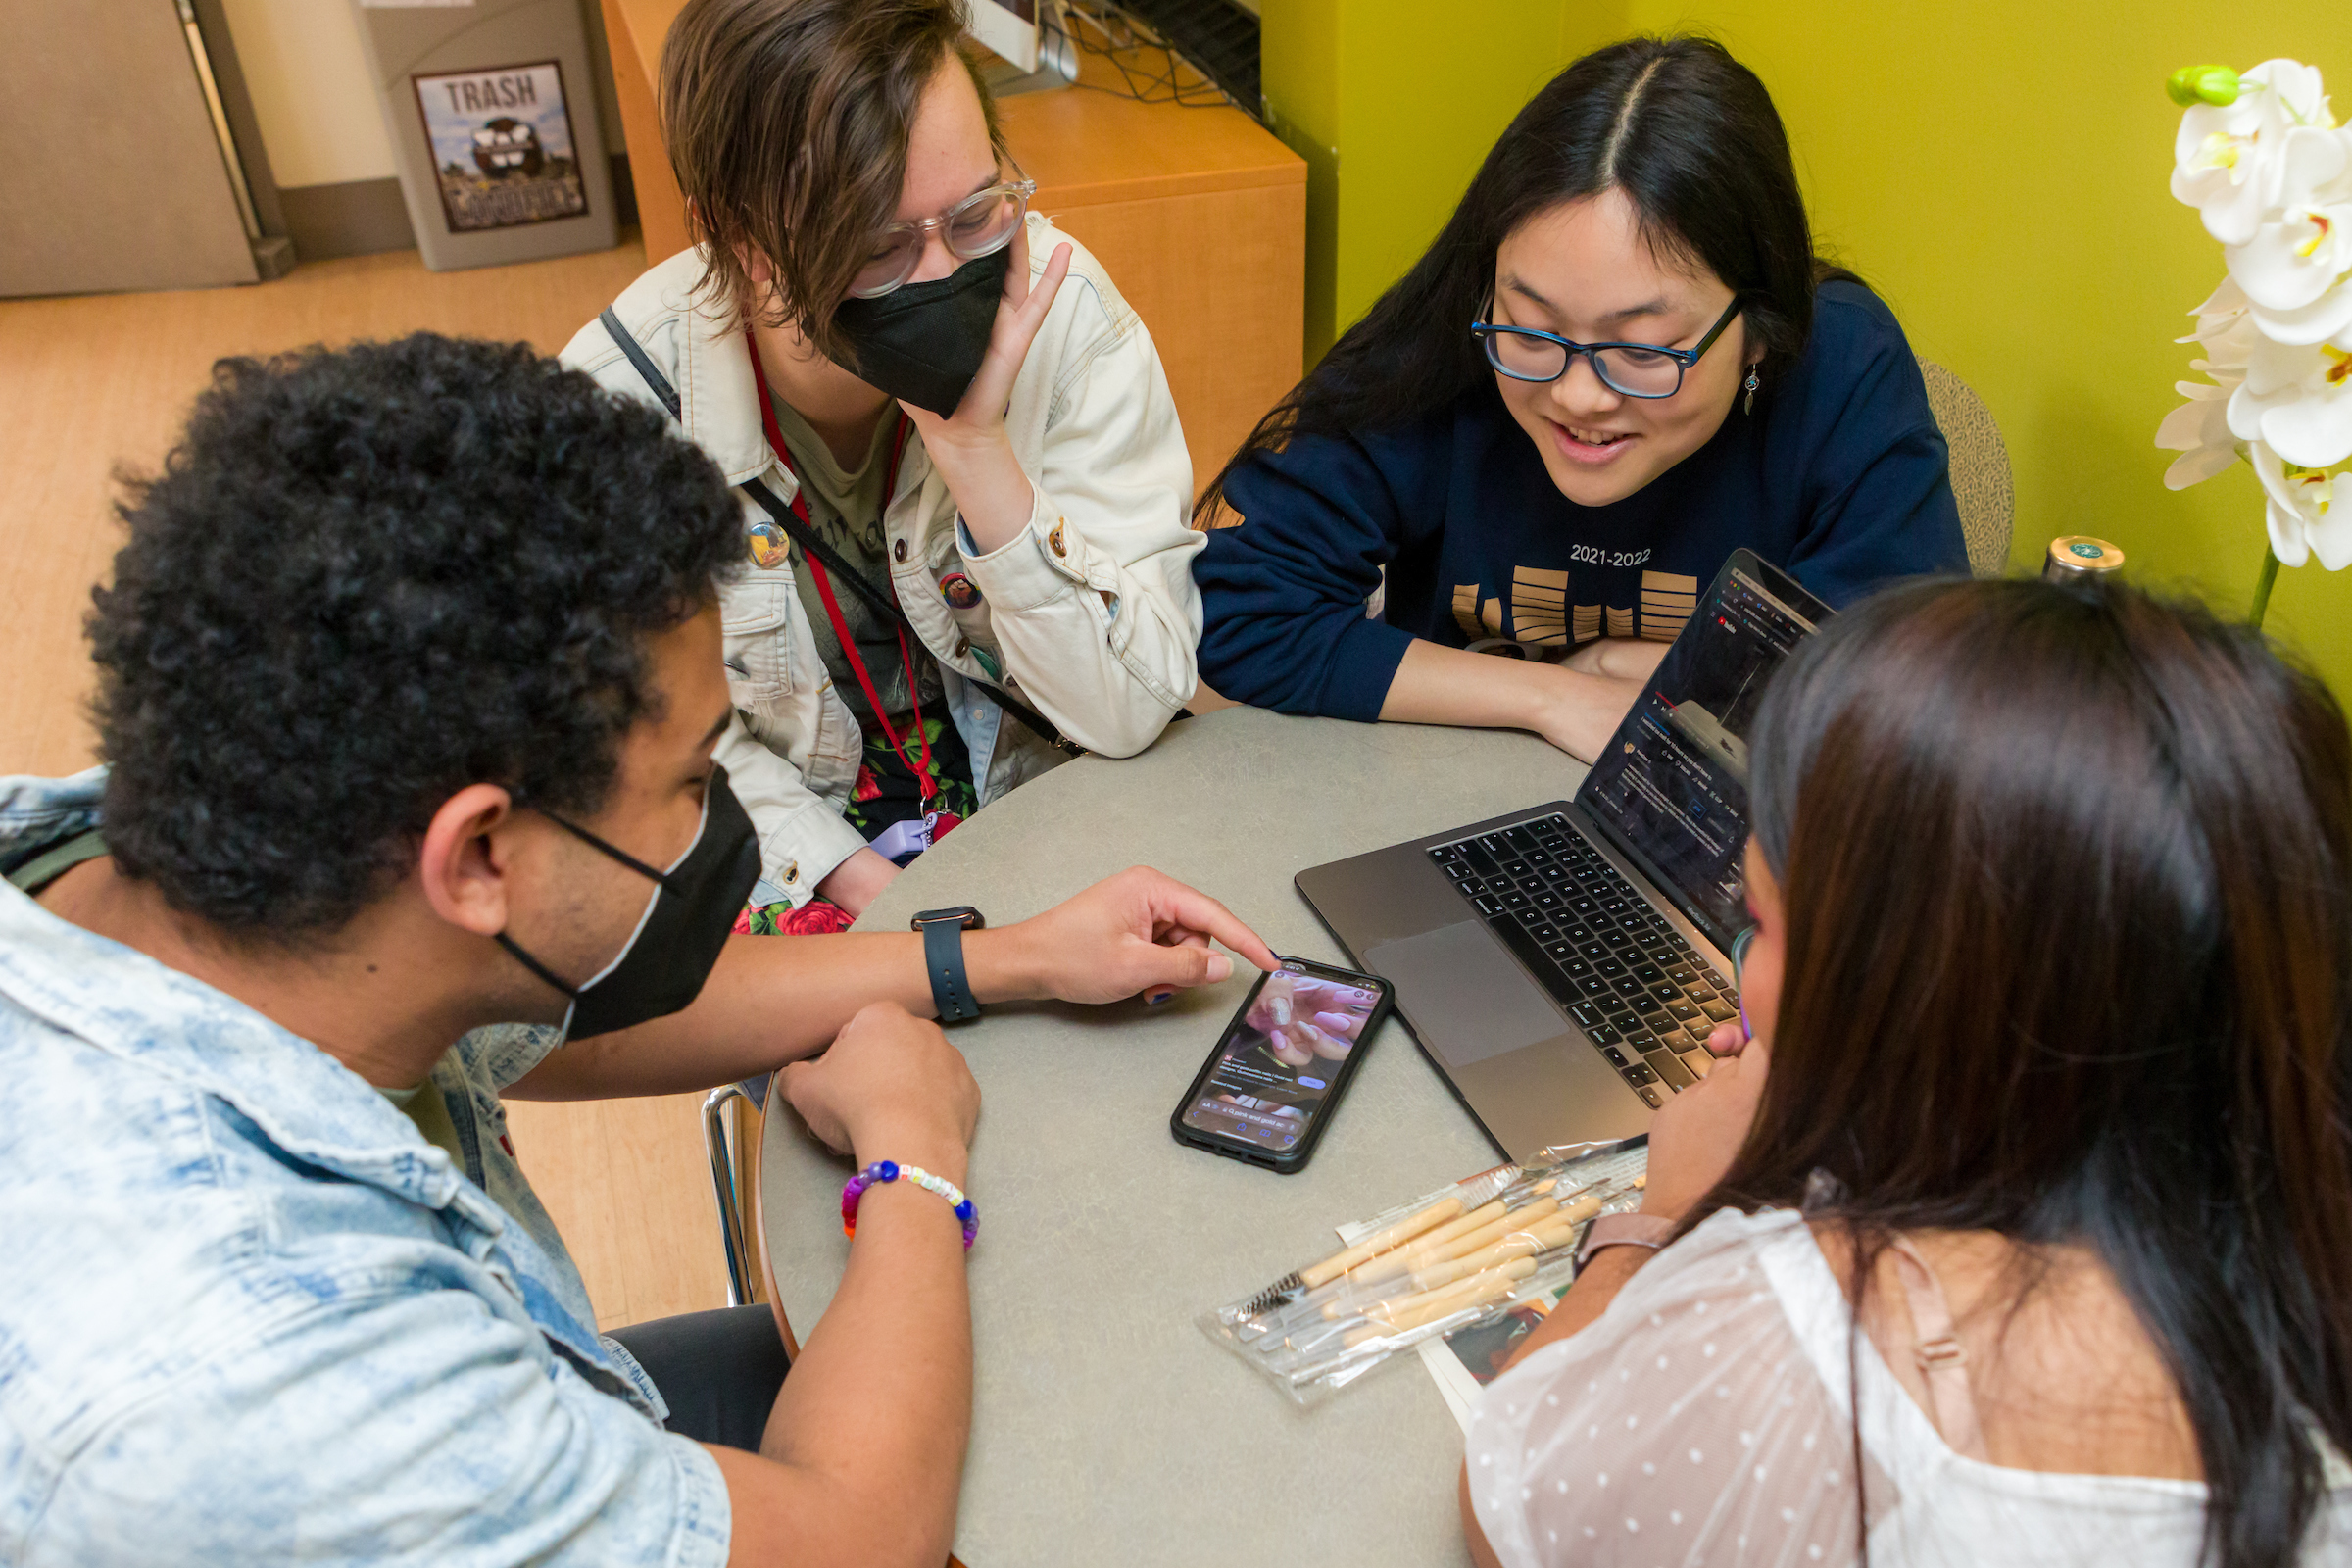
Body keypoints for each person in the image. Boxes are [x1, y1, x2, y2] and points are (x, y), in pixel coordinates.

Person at [0, 336, 1272, 1566]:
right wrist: (915, 1162)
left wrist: (1003, 960)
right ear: (481, 859)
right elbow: (854, 1542)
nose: (721, 811)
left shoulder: (237, 856)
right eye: (687, 776)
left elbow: (538, 1015)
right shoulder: (280, 1376)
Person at [1458, 578, 2352, 1567]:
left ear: (1918, 995)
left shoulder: (1799, 1334)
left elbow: (1512, 1501)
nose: (1741, 972)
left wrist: (1661, 1222)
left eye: (1758, 923)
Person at [564, 0, 1204, 929]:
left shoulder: (1060, 310)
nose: (945, 273)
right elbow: (658, 747)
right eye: (876, 248)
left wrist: (974, 449)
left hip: (1033, 764)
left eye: (977, 213)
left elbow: (1128, 708)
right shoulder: (618, 413)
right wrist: (877, 896)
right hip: (793, 822)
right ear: (739, 244)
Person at [1192, 37, 1968, 760]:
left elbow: (1911, 695)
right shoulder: (1452, 339)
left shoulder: (1842, 365)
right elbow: (1239, 611)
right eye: (1532, 329)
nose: (1576, 395)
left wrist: (1638, 662)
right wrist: (1556, 695)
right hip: (1440, 797)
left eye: (1639, 350)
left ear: (1759, 332)